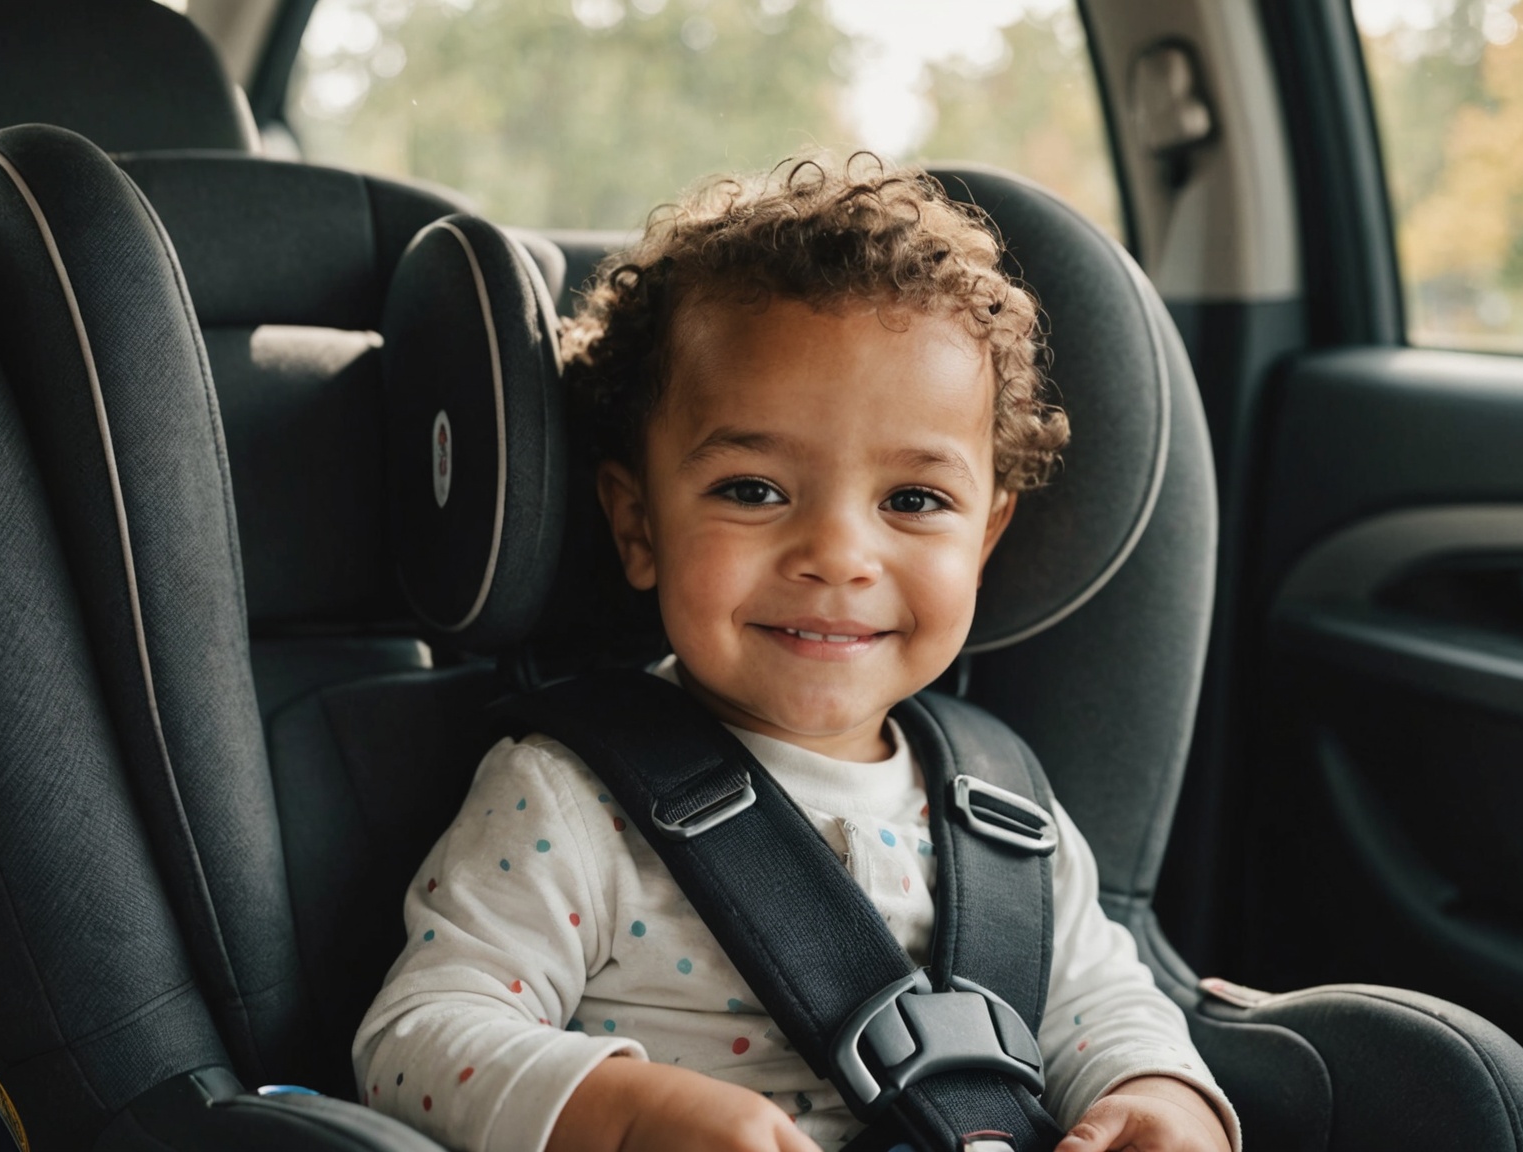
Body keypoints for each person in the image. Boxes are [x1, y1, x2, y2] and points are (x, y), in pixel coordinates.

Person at [353, 155, 1241, 1152]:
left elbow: (1103, 1006)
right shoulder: (569, 802)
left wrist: (1164, 1099)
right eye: (753, 489)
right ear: (638, 525)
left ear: (984, 539)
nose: (837, 556)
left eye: (913, 501)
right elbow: (419, 1037)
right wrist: (631, 1117)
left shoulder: (1005, 810)